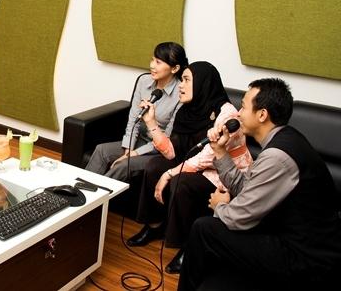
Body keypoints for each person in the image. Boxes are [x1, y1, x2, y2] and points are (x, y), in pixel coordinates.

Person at [178, 78, 341, 290]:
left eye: (243, 107)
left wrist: (220, 205)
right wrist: (220, 152)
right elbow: (245, 188)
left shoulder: (277, 157)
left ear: (262, 114)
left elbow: (237, 217)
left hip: (305, 256)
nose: (238, 113)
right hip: (282, 233)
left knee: (204, 228)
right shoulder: (283, 139)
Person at [127, 61, 252, 274]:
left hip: (221, 172)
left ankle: (190, 246)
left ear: (203, 84)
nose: (181, 85)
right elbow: (171, 152)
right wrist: (151, 122)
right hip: (196, 163)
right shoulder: (187, 110)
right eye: (182, 80)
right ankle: (156, 225)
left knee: (181, 182)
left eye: (186, 80)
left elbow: (206, 158)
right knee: (154, 165)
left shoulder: (227, 114)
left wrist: (169, 174)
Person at [85, 42, 188, 181]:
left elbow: (167, 139)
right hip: (138, 140)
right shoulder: (143, 81)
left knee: (123, 165)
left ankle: (102, 195)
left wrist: (134, 154)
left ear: (175, 68)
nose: (152, 65)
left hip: (157, 150)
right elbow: (133, 119)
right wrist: (128, 149)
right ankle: (78, 189)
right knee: (101, 150)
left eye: (158, 62)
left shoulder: (181, 93)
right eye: (152, 59)